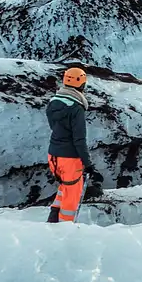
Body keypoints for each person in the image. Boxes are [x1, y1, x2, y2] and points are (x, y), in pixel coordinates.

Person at [46, 67, 103, 223]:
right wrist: (88, 164)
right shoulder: (76, 108)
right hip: (69, 158)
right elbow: (79, 139)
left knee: (64, 186)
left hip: (53, 156)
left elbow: (54, 127)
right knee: (71, 197)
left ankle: (52, 220)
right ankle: (64, 231)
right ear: (81, 84)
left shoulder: (53, 102)